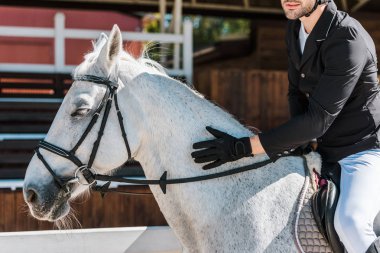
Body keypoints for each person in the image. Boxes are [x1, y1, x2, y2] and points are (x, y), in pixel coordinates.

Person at [191, 0, 380, 252]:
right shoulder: (295, 30)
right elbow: (296, 93)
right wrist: (297, 144)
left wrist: (241, 147)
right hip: (325, 152)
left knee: (350, 223)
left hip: (364, 152)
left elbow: (317, 121)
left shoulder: (347, 37)